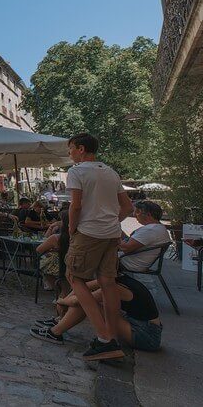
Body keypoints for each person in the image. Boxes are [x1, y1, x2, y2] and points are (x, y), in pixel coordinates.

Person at [65, 133, 133, 361]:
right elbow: (127, 206)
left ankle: (104, 338)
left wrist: (72, 229)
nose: (70, 153)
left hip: (88, 232)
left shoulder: (76, 171)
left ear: (81, 149)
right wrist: (113, 222)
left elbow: (75, 206)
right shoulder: (110, 172)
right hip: (110, 234)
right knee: (107, 282)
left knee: (75, 278)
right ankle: (112, 336)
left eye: (71, 149)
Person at [30, 273, 162, 353]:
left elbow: (80, 300)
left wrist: (62, 301)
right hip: (140, 326)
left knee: (87, 303)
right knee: (87, 300)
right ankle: (59, 321)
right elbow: (82, 288)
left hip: (146, 335)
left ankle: (56, 332)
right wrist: (65, 302)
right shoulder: (117, 278)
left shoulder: (115, 287)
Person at [118, 200, 171, 272]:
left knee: (100, 254)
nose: (134, 215)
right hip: (135, 262)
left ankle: (104, 281)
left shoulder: (150, 230)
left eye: (137, 212)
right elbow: (128, 241)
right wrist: (117, 230)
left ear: (148, 215)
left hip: (128, 264)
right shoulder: (159, 228)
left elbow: (125, 248)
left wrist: (112, 234)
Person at [37, 210, 71, 293]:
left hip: (59, 268)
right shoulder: (77, 238)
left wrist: (51, 227)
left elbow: (39, 249)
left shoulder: (56, 238)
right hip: (74, 266)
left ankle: (60, 293)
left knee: (44, 265)